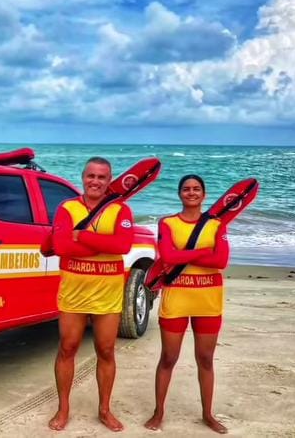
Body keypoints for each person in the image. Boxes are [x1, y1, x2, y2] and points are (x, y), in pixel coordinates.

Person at [48, 157, 135, 432]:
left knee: (106, 350)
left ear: (109, 181)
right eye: (91, 176)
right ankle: (63, 409)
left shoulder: (120, 210)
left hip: (107, 294)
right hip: (74, 292)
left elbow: (122, 244)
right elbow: (61, 246)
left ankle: (105, 409)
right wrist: (100, 245)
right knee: (67, 348)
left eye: (101, 177)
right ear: (83, 178)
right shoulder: (67, 208)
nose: (95, 181)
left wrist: (82, 237)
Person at [144, 175, 229, 434]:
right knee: (168, 358)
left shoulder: (216, 224)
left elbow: (221, 261)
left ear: (204, 195)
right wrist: (204, 252)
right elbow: (168, 255)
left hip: (208, 299)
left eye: (196, 189)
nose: (191, 193)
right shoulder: (167, 223)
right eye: (186, 189)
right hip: (177, 298)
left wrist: (188, 256)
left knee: (205, 359)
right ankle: (158, 412)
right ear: (180, 194)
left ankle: (208, 415)